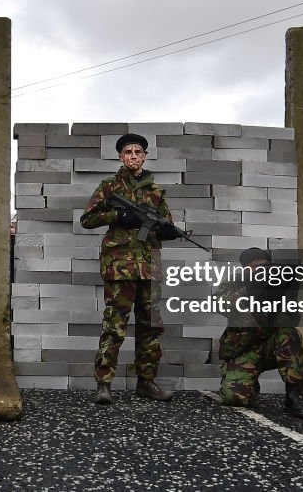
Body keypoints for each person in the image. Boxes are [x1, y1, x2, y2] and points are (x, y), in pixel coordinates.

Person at [80, 133, 181, 404]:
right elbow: (87, 219)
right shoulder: (109, 186)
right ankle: (104, 385)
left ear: (145, 156)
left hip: (149, 268)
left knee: (151, 327)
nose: (133, 156)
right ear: (121, 157)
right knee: (114, 326)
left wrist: (168, 230)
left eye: (138, 152)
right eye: (128, 152)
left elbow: (166, 222)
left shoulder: (156, 191)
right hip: (119, 267)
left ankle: (146, 382)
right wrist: (120, 216)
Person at [216, 247, 303, 418]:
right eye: (255, 267)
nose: (261, 270)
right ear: (245, 268)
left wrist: (284, 290)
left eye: (264, 266)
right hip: (243, 350)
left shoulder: (277, 282)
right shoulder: (237, 281)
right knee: (235, 398)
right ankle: (247, 383)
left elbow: (293, 319)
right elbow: (218, 305)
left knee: (289, 334)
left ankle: (293, 397)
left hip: (271, 346)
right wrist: (250, 289)